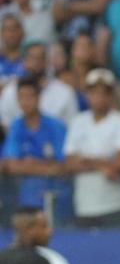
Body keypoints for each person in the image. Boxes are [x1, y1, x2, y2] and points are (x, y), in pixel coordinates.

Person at [63, 68, 120, 228]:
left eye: (104, 93)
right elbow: (69, 163)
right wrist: (103, 164)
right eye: (93, 92)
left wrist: (87, 161)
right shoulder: (77, 122)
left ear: (111, 96)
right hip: (85, 205)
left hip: (115, 204)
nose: (98, 98)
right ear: (87, 95)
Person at [2, 76, 66, 213]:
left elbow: (61, 167)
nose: (26, 102)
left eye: (30, 96)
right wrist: (44, 165)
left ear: (39, 97)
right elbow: (11, 165)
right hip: (22, 202)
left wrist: (27, 163)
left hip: (54, 200)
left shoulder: (55, 126)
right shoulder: (16, 126)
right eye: (21, 97)